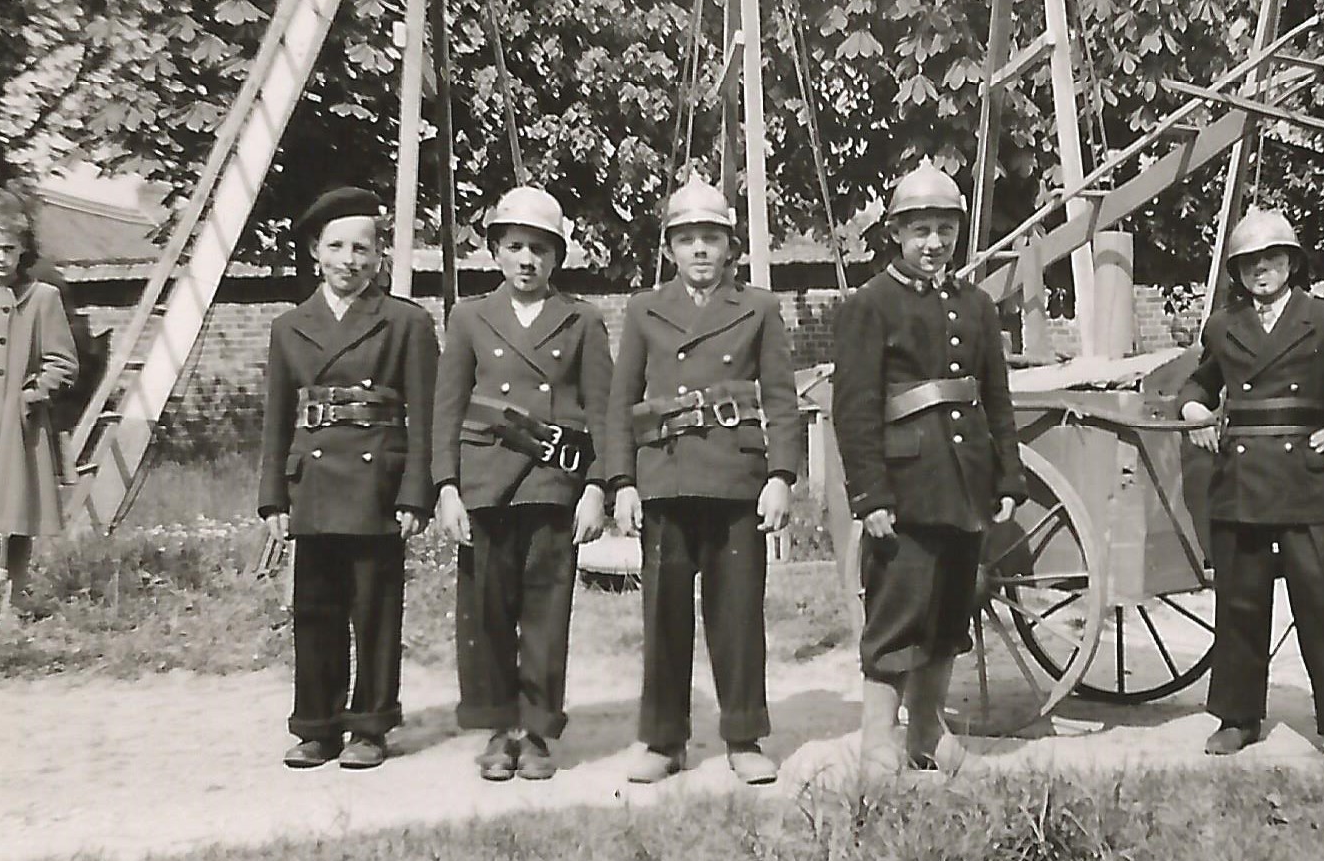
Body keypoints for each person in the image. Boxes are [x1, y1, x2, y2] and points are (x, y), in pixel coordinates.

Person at [603, 176, 804, 786]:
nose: (699, 251)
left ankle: (744, 737)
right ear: (669, 248)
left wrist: (781, 476)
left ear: (729, 246)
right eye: (687, 239)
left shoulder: (759, 307)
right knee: (664, 615)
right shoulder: (643, 309)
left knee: (738, 615)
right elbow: (620, 402)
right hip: (664, 477)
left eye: (711, 239)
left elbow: (782, 399)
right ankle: (664, 740)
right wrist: (623, 481)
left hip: (736, 478)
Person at [831, 160, 1024, 778]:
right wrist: (870, 495)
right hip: (905, 488)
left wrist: (1008, 478)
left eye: (944, 228)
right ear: (896, 233)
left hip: (964, 483)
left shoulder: (976, 305)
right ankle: (877, 738)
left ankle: (927, 731)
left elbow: (996, 398)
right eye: (920, 230)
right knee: (897, 613)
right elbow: (855, 409)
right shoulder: (870, 305)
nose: (933, 243)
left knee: (949, 610)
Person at [1177, 207, 1324, 762]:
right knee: (1240, 604)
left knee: (1323, 602)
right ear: (1237, 272)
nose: (1261, 271)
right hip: (1240, 479)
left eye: (1272, 259)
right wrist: (1196, 407)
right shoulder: (1222, 327)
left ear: (1292, 262)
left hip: (1302, 478)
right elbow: (1201, 380)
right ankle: (1237, 717)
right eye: (1249, 263)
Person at [433, 186, 612, 782]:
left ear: (557, 256)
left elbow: (603, 409)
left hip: (551, 483)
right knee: (485, 612)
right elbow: (448, 406)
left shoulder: (583, 320)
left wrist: (596, 486)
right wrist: (446, 487)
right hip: (484, 479)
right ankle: (495, 728)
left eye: (539, 248)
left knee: (545, 610)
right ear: (495, 253)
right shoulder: (468, 317)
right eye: (514, 247)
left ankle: (535, 729)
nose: (527, 260)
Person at [258, 187, 439, 771]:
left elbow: (427, 415)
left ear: (379, 256)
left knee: (376, 609)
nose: (349, 259)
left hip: (377, 486)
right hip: (312, 483)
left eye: (363, 248)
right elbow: (277, 418)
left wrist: (418, 491)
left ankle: (370, 725)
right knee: (314, 607)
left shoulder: (406, 323)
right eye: (336, 246)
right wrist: (271, 496)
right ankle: (316, 724)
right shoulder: (289, 328)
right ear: (316, 251)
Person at [0, 187, 80, 629]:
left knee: (18, 513)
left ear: (23, 249)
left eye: (8, 248)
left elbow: (64, 361)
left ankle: (15, 603)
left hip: (21, 420)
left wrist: (35, 392)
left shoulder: (43, 297)